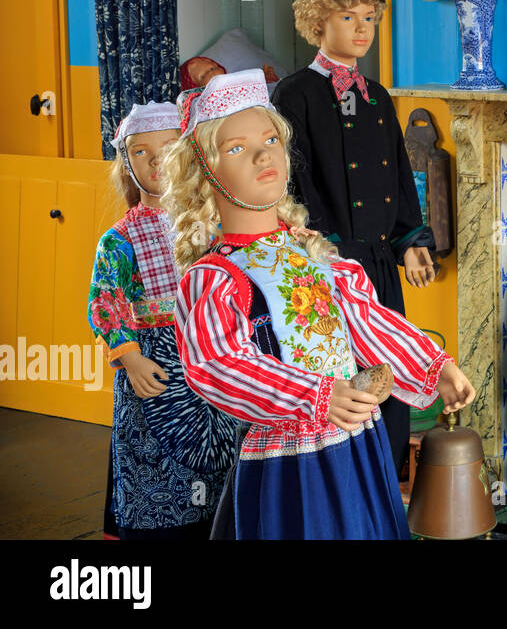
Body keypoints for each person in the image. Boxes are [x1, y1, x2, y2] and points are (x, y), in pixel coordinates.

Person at [163, 70, 476, 539]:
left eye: (271, 138)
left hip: (355, 444)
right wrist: (316, 394)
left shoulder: (315, 253)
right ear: (204, 173)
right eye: (236, 148)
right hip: (288, 461)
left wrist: (434, 365)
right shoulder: (214, 278)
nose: (263, 153)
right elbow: (218, 363)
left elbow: (367, 320)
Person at [273, 0, 438, 475]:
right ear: (318, 22)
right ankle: (341, 490)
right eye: (349, 17)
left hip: (380, 264)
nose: (363, 28)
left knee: (385, 372)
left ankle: (384, 487)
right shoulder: (295, 93)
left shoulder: (377, 96)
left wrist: (411, 239)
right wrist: (325, 249)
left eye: (370, 16)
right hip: (326, 267)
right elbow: (294, 179)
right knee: (343, 377)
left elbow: (399, 170)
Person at [87, 102, 240, 539]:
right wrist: (130, 358)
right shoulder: (118, 239)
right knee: (156, 458)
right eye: (140, 152)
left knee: (218, 459)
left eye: (168, 147)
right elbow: (106, 303)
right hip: (154, 367)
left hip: (213, 361)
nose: (156, 161)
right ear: (127, 165)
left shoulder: (213, 226)